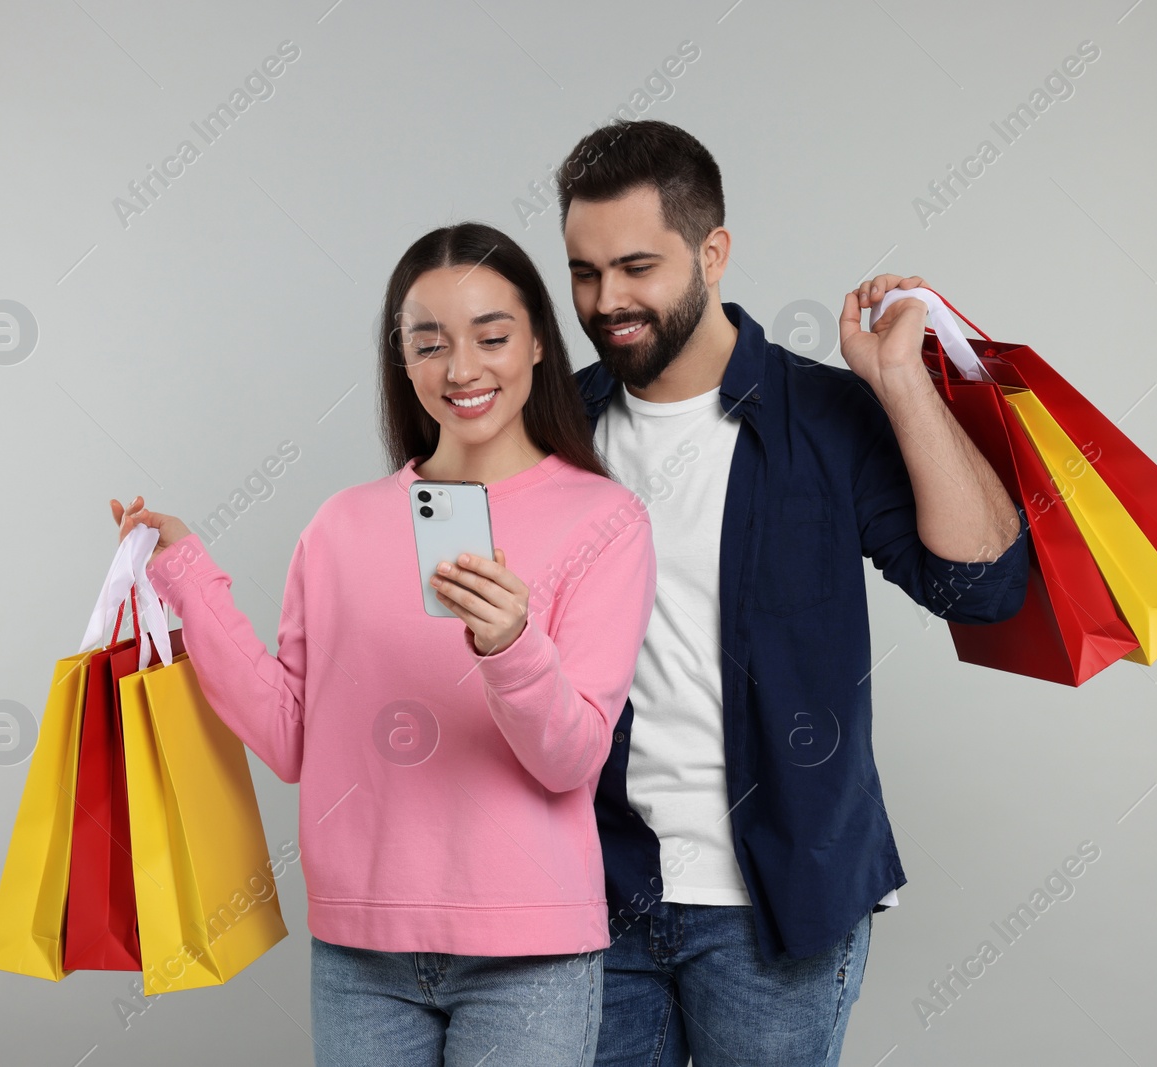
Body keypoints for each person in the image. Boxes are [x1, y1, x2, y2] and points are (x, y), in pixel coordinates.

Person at [109, 222, 656, 1067]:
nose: (462, 368)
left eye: (492, 336)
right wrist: (187, 576)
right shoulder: (343, 526)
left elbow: (570, 758)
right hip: (360, 949)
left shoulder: (604, 522)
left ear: (540, 341)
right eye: (428, 342)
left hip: (531, 952)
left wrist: (510, 644)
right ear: (401, 359)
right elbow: (293, 737)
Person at [551, 119, 1033, 1064]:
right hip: (595, 895)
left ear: (714, 251)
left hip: (777, 907)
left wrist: (902, 385)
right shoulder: (556, 430)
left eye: (637, 266)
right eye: (584, 271)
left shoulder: (823, 415)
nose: (608, 300)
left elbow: (983, 586)